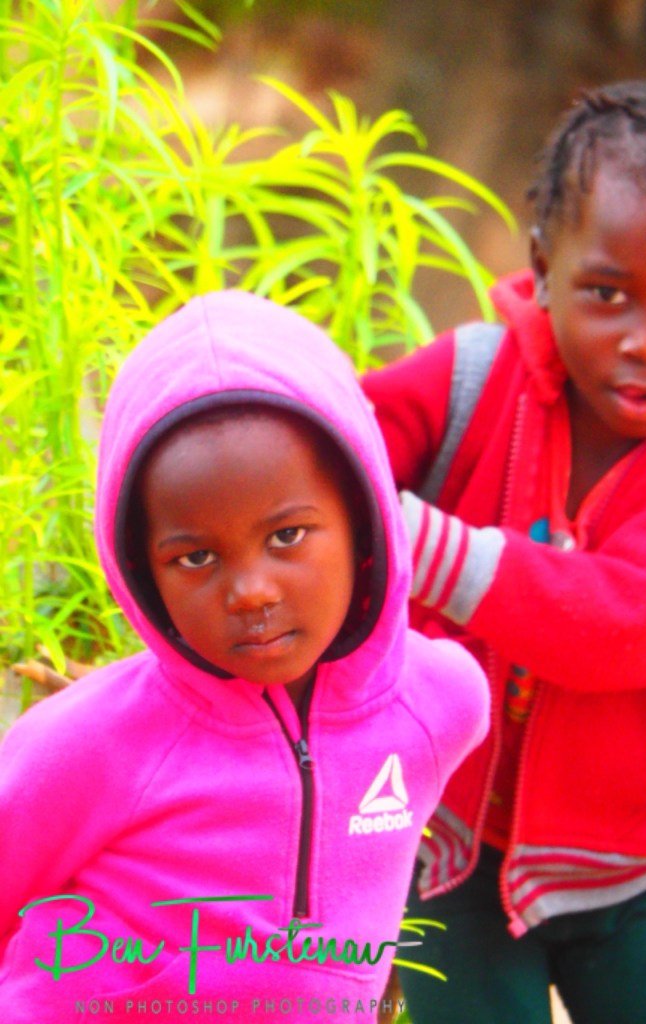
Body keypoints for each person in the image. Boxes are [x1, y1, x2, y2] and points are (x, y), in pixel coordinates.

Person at [362, 71, 646, 1024]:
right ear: (543, 267)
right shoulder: (472, 377)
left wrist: (412, 539)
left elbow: (618, 624)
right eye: (609, 292)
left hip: (626, 872)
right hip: (444, 852)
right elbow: (337, 451)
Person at [0, 292, 489, 1022]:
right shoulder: (93, 740)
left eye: (288, 537)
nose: (251, 592)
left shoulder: (440, 703)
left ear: (363, 519)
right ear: (141, 571)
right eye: (196, 557)